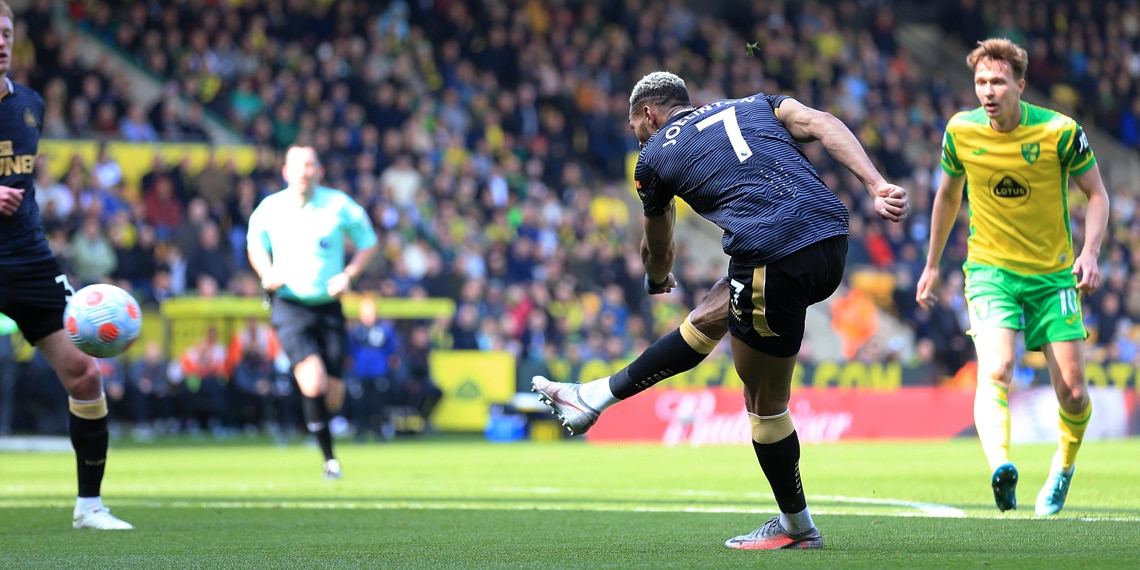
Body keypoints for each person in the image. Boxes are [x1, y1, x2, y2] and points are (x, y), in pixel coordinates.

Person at [533, 71, 908, 550]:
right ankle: (593, 398)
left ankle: (797, 528)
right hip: (831, 239)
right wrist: (876, 184)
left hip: (771, 252)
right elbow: (820, 122)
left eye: (635, 127)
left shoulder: (653, 157)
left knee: (763, 406)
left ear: (647, 114)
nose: (638, 137)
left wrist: (655, 279)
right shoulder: (753, 104)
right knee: (716, 307)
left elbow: (659, 247)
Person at [915, 38, 1109, 516]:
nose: (988, 90)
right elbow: (946, 197)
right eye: (981, 82)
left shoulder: (1060, 132)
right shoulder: (961, 131)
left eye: (998, 81)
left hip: (1053, 277)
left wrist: (1090, 253)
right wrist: (933, 264)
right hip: (990, 271)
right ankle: (1001, 467)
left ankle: (1062, 468)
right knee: (997, 368)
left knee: (1075, 393)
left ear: (1019, 85)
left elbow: (1098, 195)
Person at [0, 1, 133, 530]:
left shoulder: (29, 104)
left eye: (7, 30)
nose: (2, 39)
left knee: (84, 372)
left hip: (28, 260)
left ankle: (89, 507)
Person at [247, 145, 378, 479]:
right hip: (289, 306)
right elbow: (255, 245)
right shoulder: (270, 207)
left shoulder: (338, 205)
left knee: (333, 393)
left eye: (310, 164)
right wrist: (266, 273)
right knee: (313, 379)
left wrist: (348, 275)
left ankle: (318, 417)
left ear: (319, 170)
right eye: (297, 165)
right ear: (285, 171)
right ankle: (329, 460)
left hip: (329, 308)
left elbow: (368, 241)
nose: (304, 171)